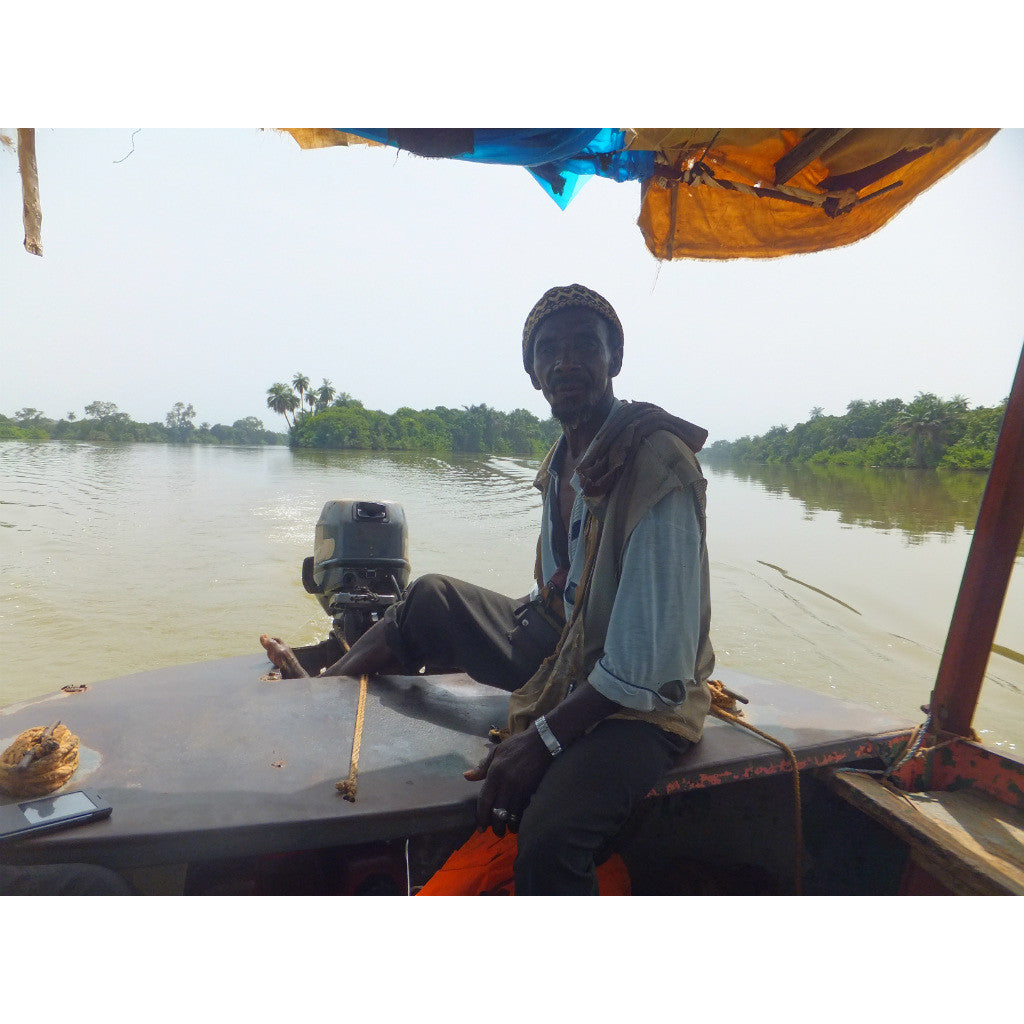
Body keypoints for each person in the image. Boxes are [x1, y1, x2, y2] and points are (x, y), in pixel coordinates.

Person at [261, 283, 714, 895]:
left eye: (586, 345)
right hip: (566, 643)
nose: (566, 362)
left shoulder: (655, 467)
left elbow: (647, 665)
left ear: (616, 359)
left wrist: (542, 740)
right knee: (429, 598)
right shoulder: (565, 459)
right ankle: (324, 688)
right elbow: (565, 589)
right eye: (549, 350)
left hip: (640, 702)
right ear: (532, 373)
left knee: (551, 839)